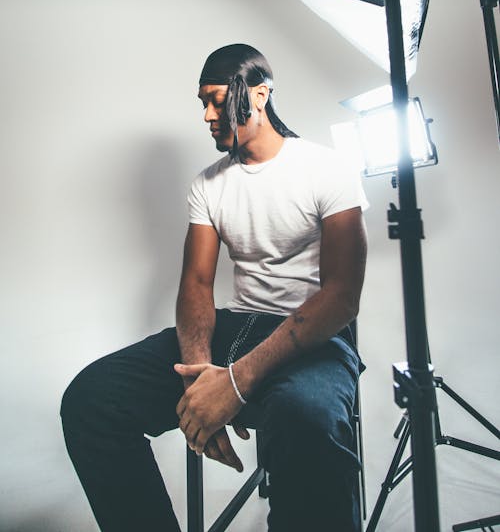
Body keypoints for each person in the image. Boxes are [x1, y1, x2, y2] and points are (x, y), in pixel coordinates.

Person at [61, 43, 368, 532]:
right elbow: (196, 284)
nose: (206, 115)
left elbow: (342, 295)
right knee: (92, 399)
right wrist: (199, 376)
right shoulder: (208, 185)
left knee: (306, 416)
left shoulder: (326, 169)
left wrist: (235, 381)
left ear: (260, 94)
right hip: (236, 326)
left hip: (314, 337)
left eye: (217, 100)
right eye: (200, 102)